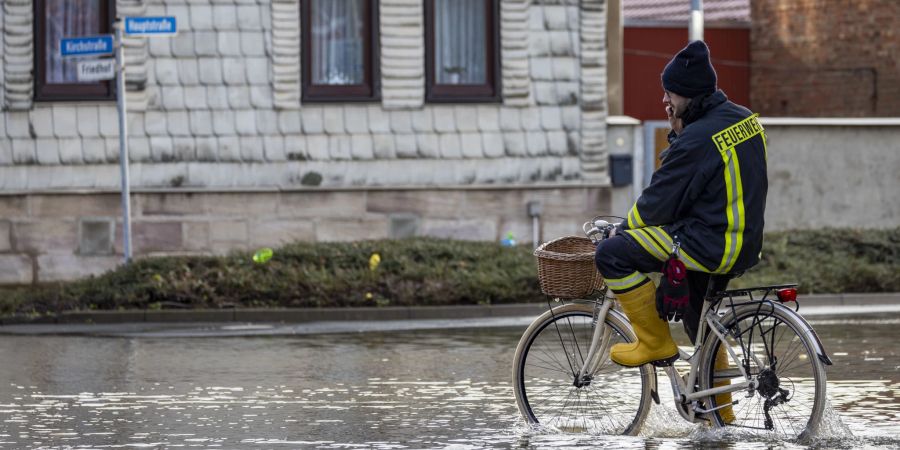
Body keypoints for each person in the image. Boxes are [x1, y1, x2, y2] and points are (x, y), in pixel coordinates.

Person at [594, 40, 768, 422]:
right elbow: (712, 188)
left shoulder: (697, 137)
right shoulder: (746, 120)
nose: (666, 101)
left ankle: (654, 342)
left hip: (709, 243)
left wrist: (620, 232)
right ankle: (718, 417)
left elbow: (658, 201)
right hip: (743, 243)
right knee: (699, 319)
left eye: (669, 94)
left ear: (685, 94)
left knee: (612, 255)